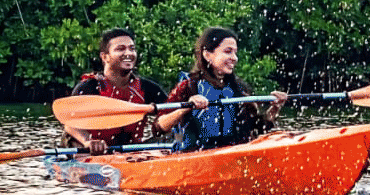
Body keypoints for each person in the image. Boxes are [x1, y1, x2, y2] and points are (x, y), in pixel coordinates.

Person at [156, 27, 287, 153]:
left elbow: (259, 129)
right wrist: (187, 107)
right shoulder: (188, 87)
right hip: (194, 156)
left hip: (230, 154)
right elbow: (158, 127)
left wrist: (275, 108)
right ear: (207, 55)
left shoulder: (239, 89)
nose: (235, 58)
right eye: (228, 51)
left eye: (235, 52)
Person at [62, 28, 169, 155]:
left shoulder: (147, 88)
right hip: (92, 150)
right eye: (121, 49)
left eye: (132, 48)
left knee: (173, 136)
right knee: (74, 141)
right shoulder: (89, 87)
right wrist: (88, 141)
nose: (129, 53)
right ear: (105, 57)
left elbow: (168, 114)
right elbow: (69, 123)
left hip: (130, 149)